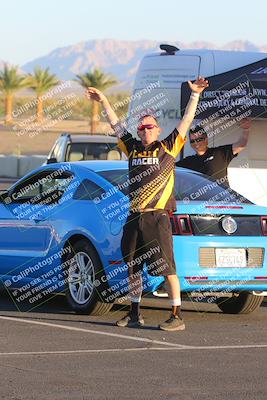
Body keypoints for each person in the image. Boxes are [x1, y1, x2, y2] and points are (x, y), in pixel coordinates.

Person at [86, 76, 208, 331]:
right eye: (141, 128)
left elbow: (186, 121)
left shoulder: (168, 147)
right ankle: (134, 313)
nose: (145, 130)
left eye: (149, 127)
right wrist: (105, 100)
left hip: (158, 217)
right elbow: (115, 123)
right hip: (135, 216)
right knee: (133, 268)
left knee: (167, 267)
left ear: (158, 129)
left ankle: (177, 315)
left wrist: (195, 94)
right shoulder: (131, 148)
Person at [176, 118, 251, 186]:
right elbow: (169, 168)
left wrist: (246, 129)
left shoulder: (219, 153)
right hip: (199, 200)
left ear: (206, 139)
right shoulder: (188, 161)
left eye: (199, 139)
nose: (196, 143)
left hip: (222, 199)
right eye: (192, 141)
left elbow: (241, 145)